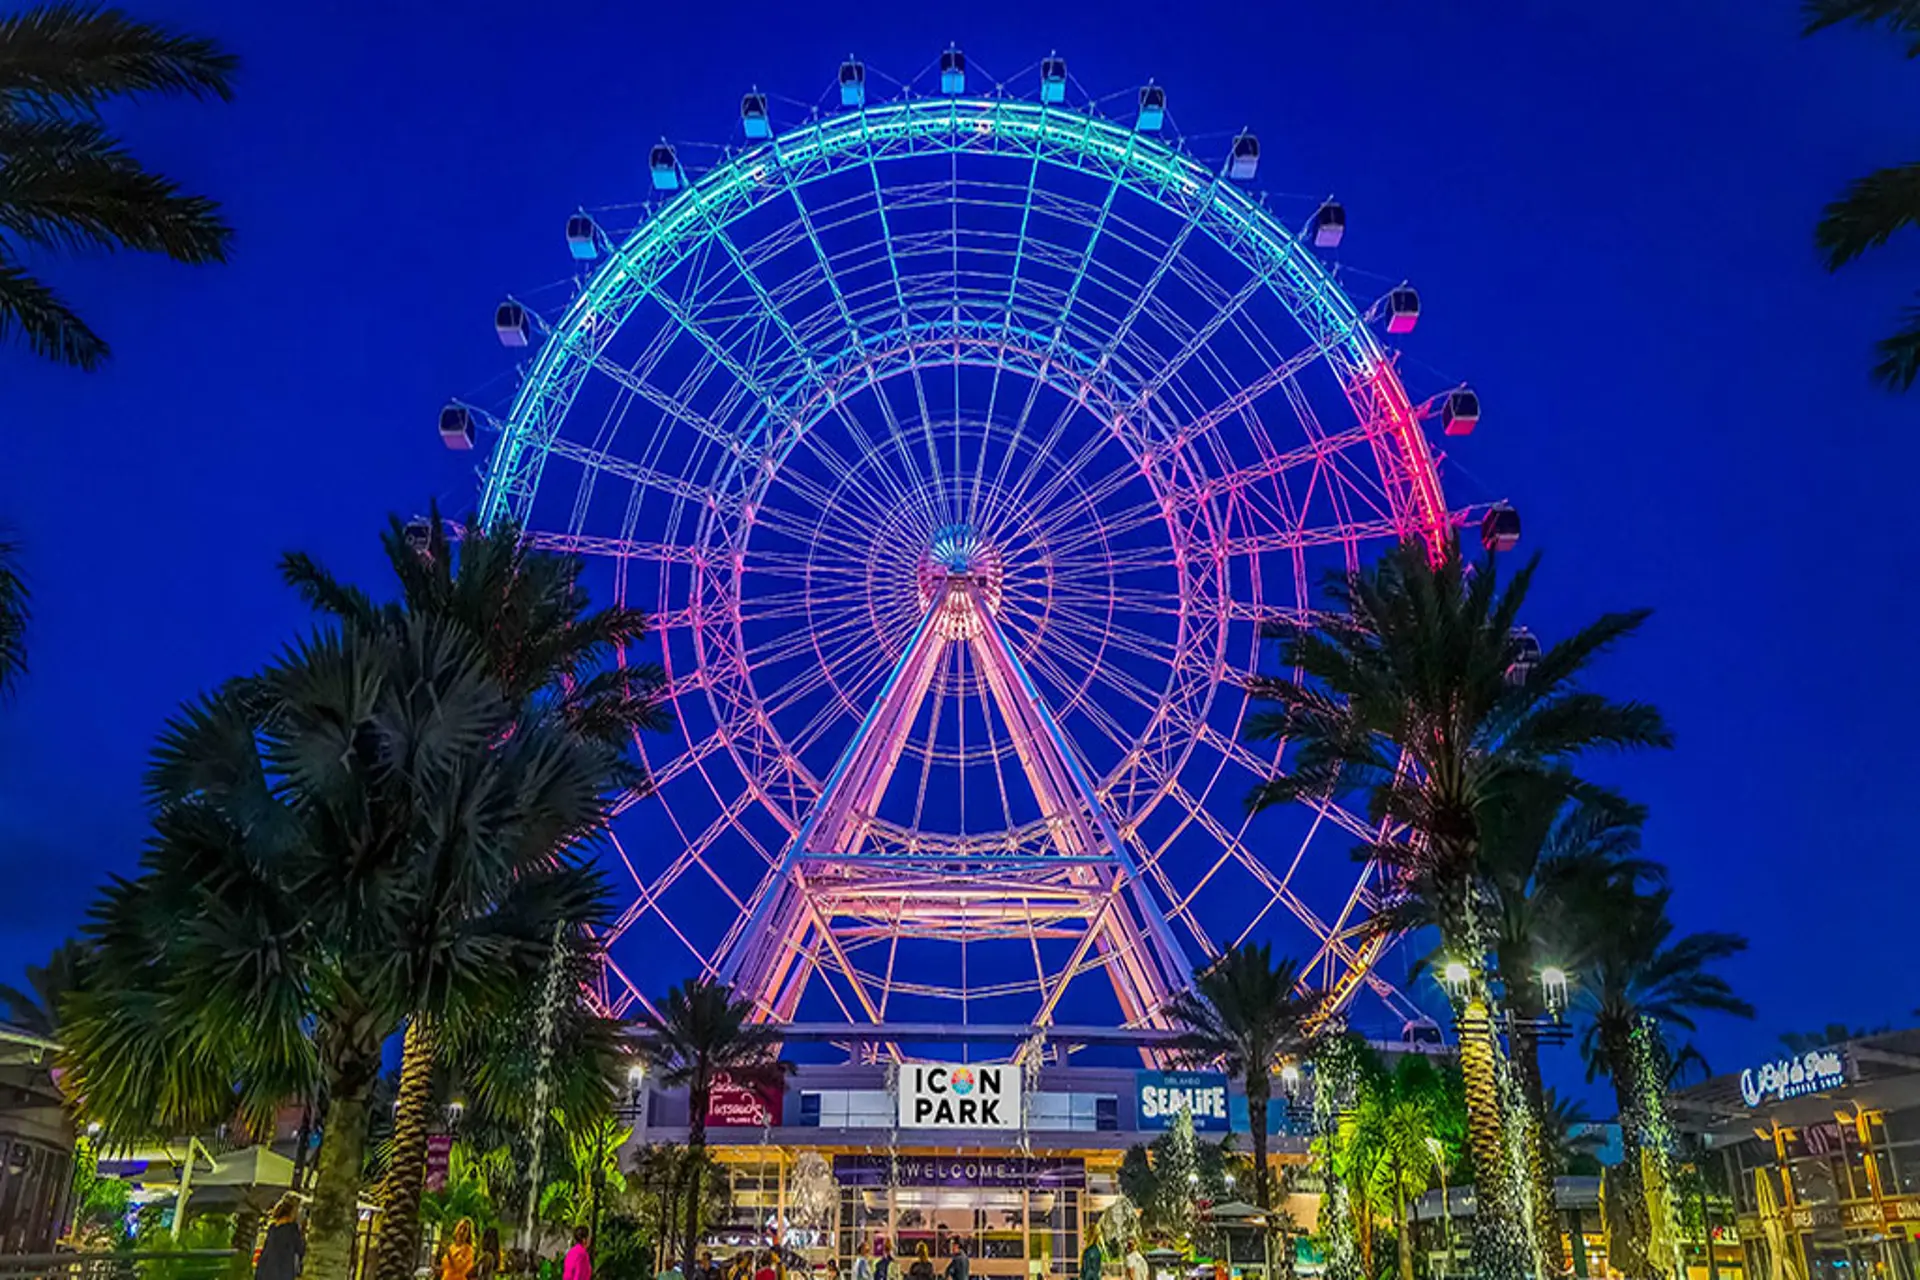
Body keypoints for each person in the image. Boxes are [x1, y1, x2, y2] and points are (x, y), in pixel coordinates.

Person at [254, 1196, 304, 1280]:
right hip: (282, 1273)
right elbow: (301, 1249)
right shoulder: (291, 1229)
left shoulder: (273, 1227)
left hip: (265, 1271)